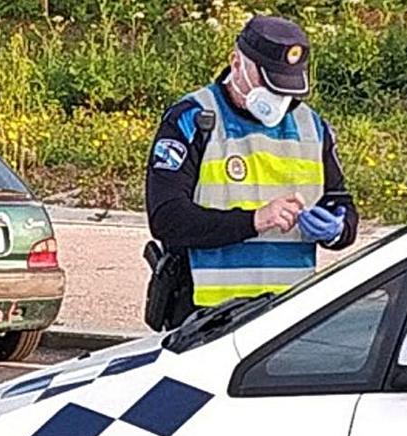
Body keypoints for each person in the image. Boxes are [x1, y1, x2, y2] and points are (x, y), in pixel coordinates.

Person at [143, 15, 359, 329]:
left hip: (286, 318)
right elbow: (167, 218)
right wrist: (255, 220)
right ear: (236, 63)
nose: (278, 98)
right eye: (268, 83)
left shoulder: (312, 127)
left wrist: (337, 229)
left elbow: (343, 207)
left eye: (286, 87)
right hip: (205, 317)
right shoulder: (193, 118)